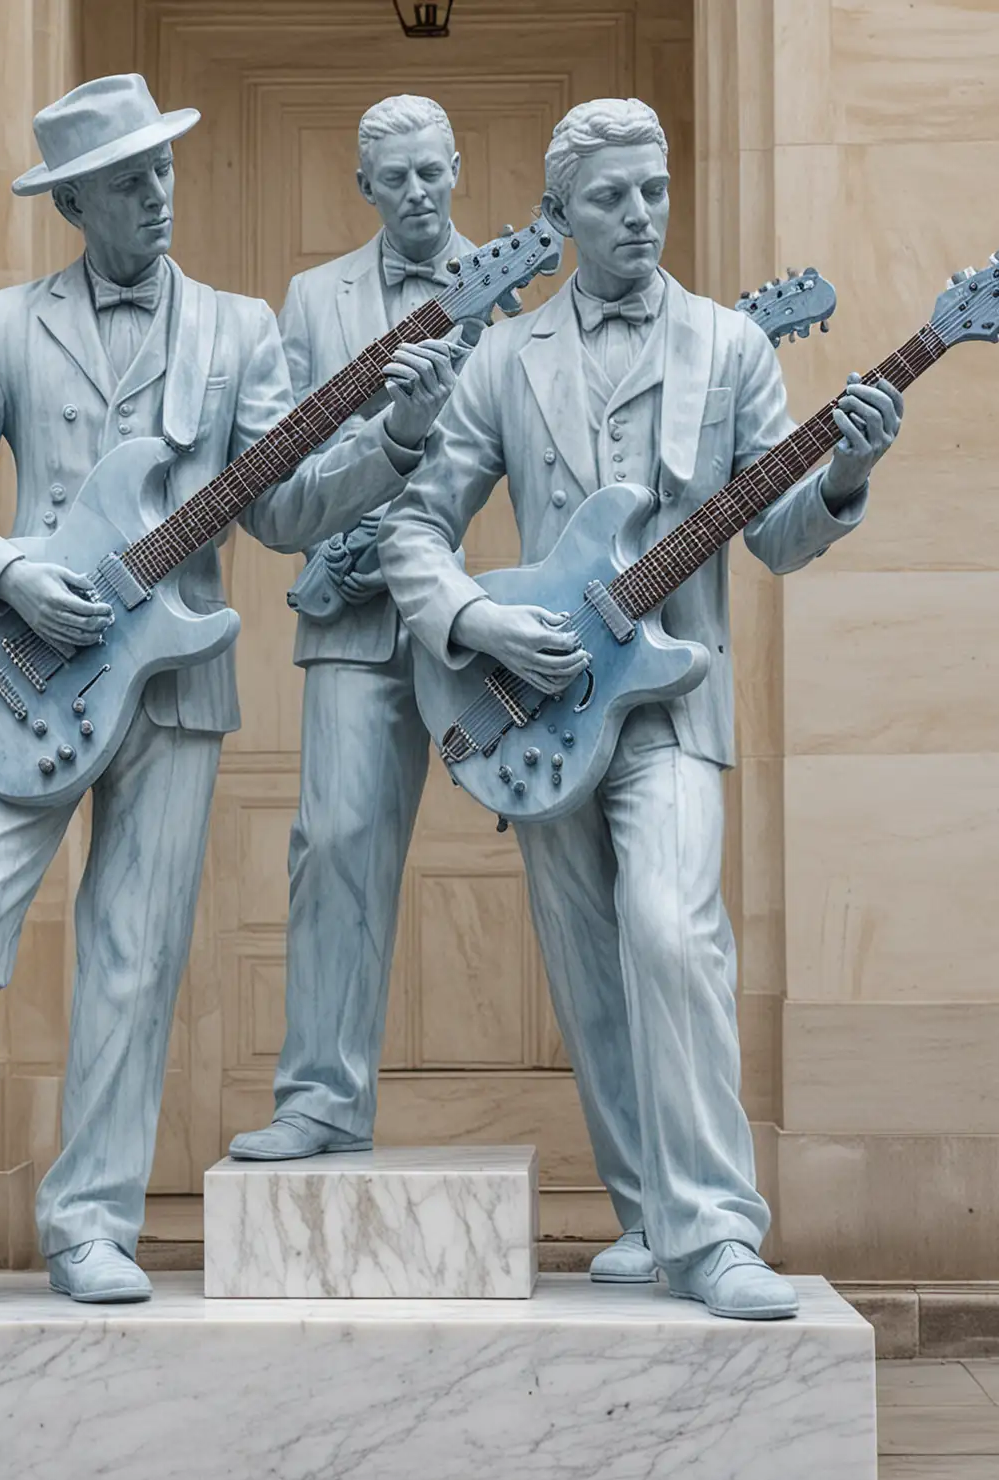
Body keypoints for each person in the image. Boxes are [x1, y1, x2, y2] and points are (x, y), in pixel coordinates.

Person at [0, 74, 457, 1320]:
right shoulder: (9, 326)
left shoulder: (234, 331)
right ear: (73, 201)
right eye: (128, 180)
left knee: (132, 962)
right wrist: (7, 574)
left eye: (163, 168)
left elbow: (278, 508)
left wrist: (391, 442)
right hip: (17, 683)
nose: (157, 194)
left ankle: (93, 1223)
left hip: (171, 695)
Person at [376, 98, 904, 1318]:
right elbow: (416, 525)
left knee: (672, 936)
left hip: (669, 705)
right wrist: (474, 621)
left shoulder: (729, 349)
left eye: (656, 191)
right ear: (559, 214)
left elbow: (772, 536)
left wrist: (848, 473)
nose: (641, 215)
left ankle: (716, 1230)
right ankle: (647, 1214)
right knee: (591, 975)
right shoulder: (506, 359)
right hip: (536, 704)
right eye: (612, 196)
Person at [229, 94, 656, 1285]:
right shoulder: (315, 303)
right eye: (397, 178)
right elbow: (289, 478)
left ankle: (656, 1195)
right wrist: (384, 449)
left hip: (484, 625)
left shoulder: (522, 280)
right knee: (335, 840)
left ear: (462, 169)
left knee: (575, 884)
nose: (420, 194)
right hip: (352, 612)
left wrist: (512, 598)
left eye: (435, 172)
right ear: (366, 186)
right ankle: (320, 1100)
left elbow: (548, 453)